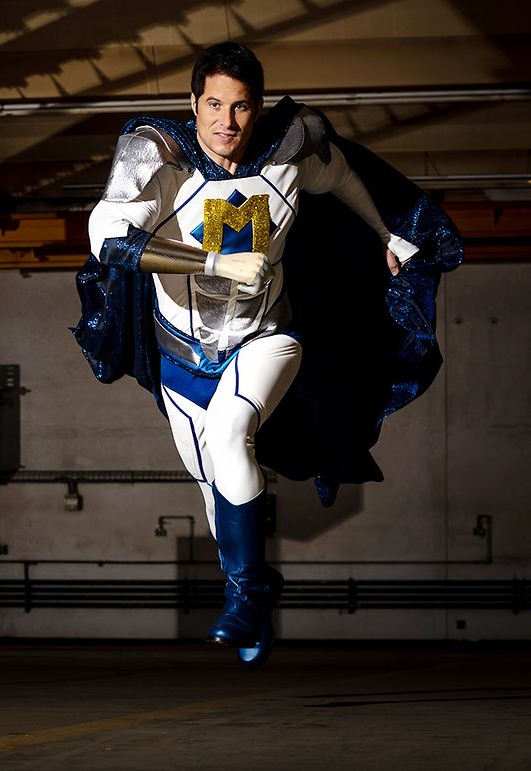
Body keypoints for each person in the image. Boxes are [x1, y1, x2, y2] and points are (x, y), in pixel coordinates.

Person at [74, 42, 462, 668]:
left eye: (241, 107)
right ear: (193, 104)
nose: (226, 122)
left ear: (257, 108)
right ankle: (251, 594)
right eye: (214, 105)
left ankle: (249, 594)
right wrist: (213, 263)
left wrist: (385, 232)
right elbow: (107, 240)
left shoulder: (288, 153)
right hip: (181, 359)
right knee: (214, 487)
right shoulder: (160, 158)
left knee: (233, 434)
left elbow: (344, 178)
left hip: (266, 338)